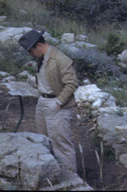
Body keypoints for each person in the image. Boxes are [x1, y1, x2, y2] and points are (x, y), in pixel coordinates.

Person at [18, 29, 79, 181]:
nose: (30, 54)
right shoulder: (42, 58)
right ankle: (51, 175)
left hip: (57, 103)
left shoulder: (60, 59)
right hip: (43, 101)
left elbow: (72, 83)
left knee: (61, 144)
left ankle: (71, 179)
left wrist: (58, 102)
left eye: (30, 51)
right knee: (42, 140)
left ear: (38, 45)